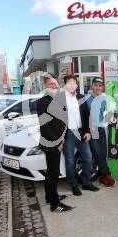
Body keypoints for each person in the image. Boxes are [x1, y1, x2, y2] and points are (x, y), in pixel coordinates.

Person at [36, 73, 72, 212]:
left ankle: (50, 196)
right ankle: (55, 204)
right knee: (53, 173)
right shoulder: (43, 102)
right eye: (51, 84)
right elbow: (44, 126)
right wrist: (57, 142)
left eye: (56, 84)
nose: (54, 86)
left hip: (58, 140)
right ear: (45, 85)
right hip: (51, 143)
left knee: (51, 172)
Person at [61, 75, 99, 195]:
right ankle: (73, 184)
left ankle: (87, 182)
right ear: (65, 84)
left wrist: (88, 131)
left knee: (87, 157)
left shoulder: (81, 97)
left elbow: (87, 116)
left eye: (74, 83)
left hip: (81, 132)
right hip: (68, 134)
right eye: (69, 83)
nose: (72, 85)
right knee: (70, 160)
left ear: (76, 85)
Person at [85, 77, 116, 187]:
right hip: (91, 129)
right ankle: (107, 174)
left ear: (102, 87)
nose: (98, 87)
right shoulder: (86, 98)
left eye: (100, 86)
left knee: (103, 153)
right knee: (97, 152)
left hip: (101, 129)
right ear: (92, 86)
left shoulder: (104, 98)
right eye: (96, 85)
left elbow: (108, 112)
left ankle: (104, 177)